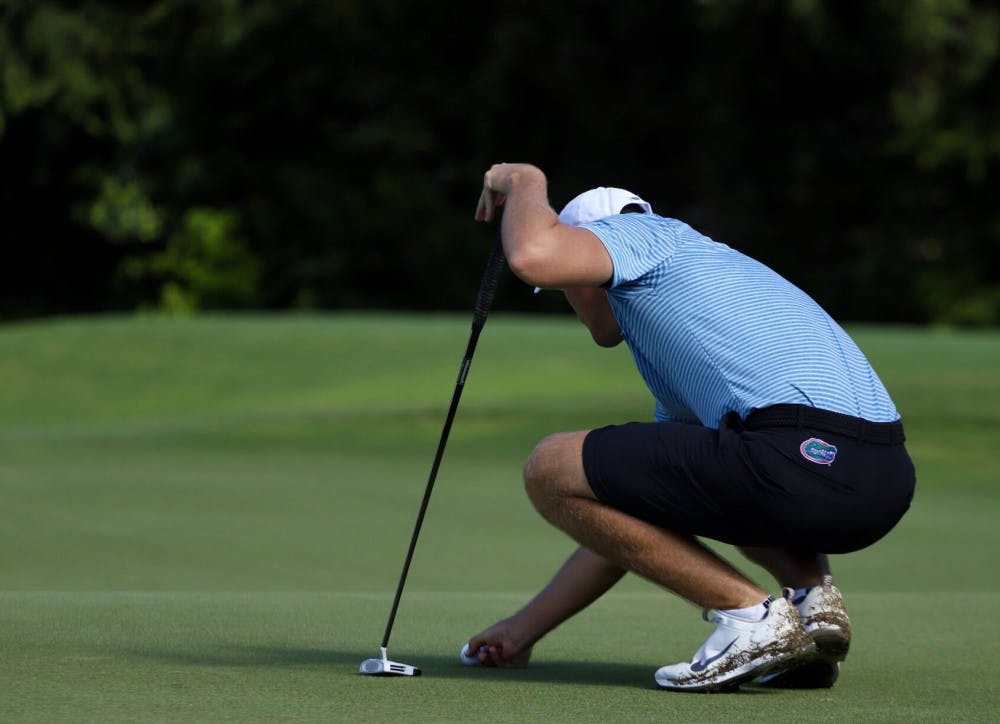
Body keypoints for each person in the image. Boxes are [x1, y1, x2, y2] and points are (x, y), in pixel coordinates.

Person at [463, 162, 916, 692]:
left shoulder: (641, 236)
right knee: (720, 466)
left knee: (549, 465)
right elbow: (635, 512)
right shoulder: (705, 278)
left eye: (573, 280)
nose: (573, 293)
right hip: (882, 479)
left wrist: (524, 179)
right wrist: (523, 630)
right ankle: (812, 604)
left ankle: (752, 619)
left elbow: (532, 256)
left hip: (797, 455)